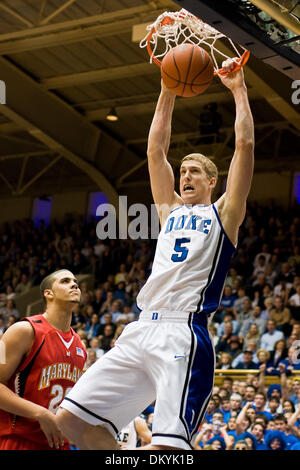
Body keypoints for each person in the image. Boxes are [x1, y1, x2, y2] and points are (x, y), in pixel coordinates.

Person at [56, 58, 255, 450]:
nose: (185, 176)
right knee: (71, 421)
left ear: (212, 181)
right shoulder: (169, 211)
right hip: (141, 328)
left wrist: (238, 89)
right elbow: (154, 151)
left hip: (183, 333)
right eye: (183, 171)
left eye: (194, 171)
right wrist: (166, 88)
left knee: (168, 448)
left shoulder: (225, 213)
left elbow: (245, 145)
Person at [0, 269, 87, 450]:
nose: (74, 284)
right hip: (20, 440)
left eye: (75, 281)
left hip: (60, 443)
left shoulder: (81, 346)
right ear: (48, 293)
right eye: (65, 281)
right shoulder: (22, 330)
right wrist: (39, 413)